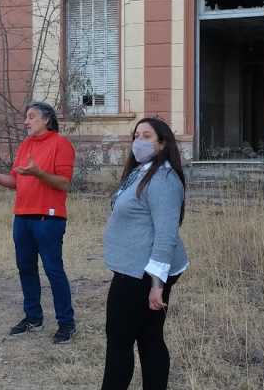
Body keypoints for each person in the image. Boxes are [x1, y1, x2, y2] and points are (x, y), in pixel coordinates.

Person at [0, 101, 77, 344]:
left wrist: (39, 173)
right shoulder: (26, 145)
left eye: (31, 117)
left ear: (47, 119)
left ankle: (66, 324)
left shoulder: (61, 144)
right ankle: (33, 318)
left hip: (49, 218)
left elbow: (64, 183)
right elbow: (15, 181)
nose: (26, 122)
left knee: (53, 270)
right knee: (25, 268)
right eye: (26, 117)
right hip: (22, 217)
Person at [100, 118, 189, 390]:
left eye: (147, 136)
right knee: (149, 337)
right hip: (134, 269)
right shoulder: (142, 171)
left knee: (120, 342)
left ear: (162, 143)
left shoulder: (163, 179)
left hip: (142, 274)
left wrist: (156, 285)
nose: (138, 141)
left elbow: (166, 234)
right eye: (136, 135)